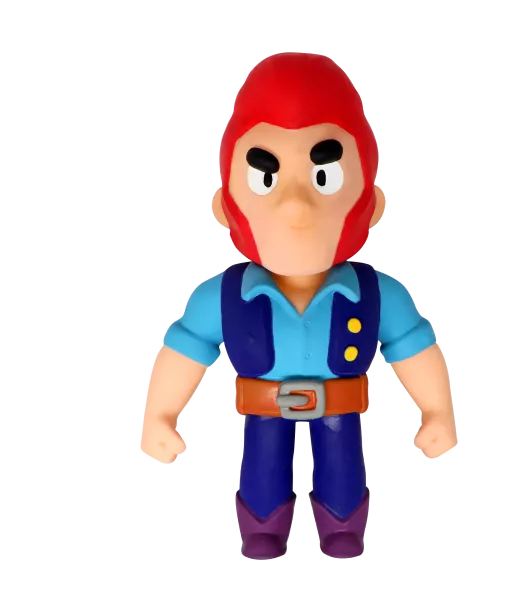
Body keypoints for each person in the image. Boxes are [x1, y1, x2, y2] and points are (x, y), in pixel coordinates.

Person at [142, 52, 457, 560]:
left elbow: (412, 345)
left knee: (343, 467)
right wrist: (160, 415)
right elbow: (187, 347)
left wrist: (437, 412)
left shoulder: (377, 293)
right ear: (222, 205)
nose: (295, 205)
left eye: (323, 176)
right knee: (262, 466)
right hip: (265, 408)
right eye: (265, 178)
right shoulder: (223, 296)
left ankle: (343, 531)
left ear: (373, 202)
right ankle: (261, 531)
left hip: (340, 409)